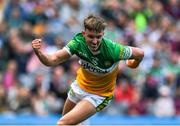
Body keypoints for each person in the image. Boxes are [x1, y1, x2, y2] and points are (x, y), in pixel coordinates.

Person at [32, 14, 144, 125]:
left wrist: (133, 64)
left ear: (103, 35)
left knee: (63, 123)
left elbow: (139, 53)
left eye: (98, 37)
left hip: (99, 95)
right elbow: (52, 59)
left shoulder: (113, 50)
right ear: (84, 34)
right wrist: (39, 53)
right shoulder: (78, 43)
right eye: (91, 36)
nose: (95, 41)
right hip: (79, 87)